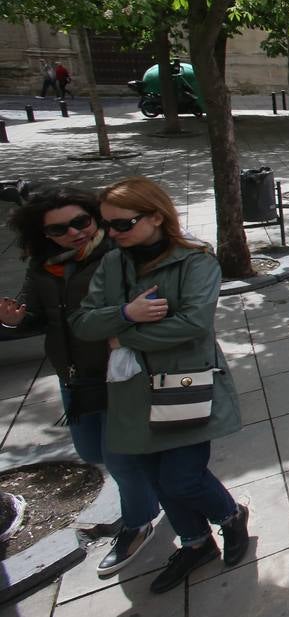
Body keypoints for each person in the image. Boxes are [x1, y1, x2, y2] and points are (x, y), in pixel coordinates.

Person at [70, 176, 247, 594]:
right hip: (131, 390)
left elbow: (193, 325)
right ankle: (195, 541)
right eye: (106, 224)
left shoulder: (196, 261)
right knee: (152, 472)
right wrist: (128, 313)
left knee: (181, 477)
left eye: (122, 224)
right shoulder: (113, 263)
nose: (111, 233)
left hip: (183, 381)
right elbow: (83, 322)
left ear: (155, 217)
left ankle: (229, 516)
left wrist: (122, 334)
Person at [2, 186, 159, 578]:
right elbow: (36, 315)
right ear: (44, 235)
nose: (74, 233)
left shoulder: (118, 256)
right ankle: (161, 486)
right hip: (73, 377)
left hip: (120, 375)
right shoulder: (43, 266)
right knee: (94, 450)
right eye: (59, 229)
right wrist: (15, 319)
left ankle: (138, 523)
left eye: (80, 222)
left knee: (121, 459)